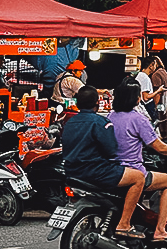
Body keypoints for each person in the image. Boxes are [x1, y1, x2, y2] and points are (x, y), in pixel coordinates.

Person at [107, 79, 167, 246]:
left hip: (112, 169)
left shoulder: (110, 116)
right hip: (131, 170)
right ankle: (160, 230)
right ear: (136, 98)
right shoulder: (138, 119)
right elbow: (160, 147)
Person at [61, 85, 147, 240]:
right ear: (98, 103)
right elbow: (111, 150)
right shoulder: (101, 123)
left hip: (71, 172)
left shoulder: (69, 123)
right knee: (138, 178)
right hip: (96, 172)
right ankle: (125, 224)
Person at [145, 54, 167, 138]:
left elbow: (158, 93)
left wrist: (154, 106)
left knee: (161, 131)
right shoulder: (165, 73)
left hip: (161, 106)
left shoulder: (156, 75)